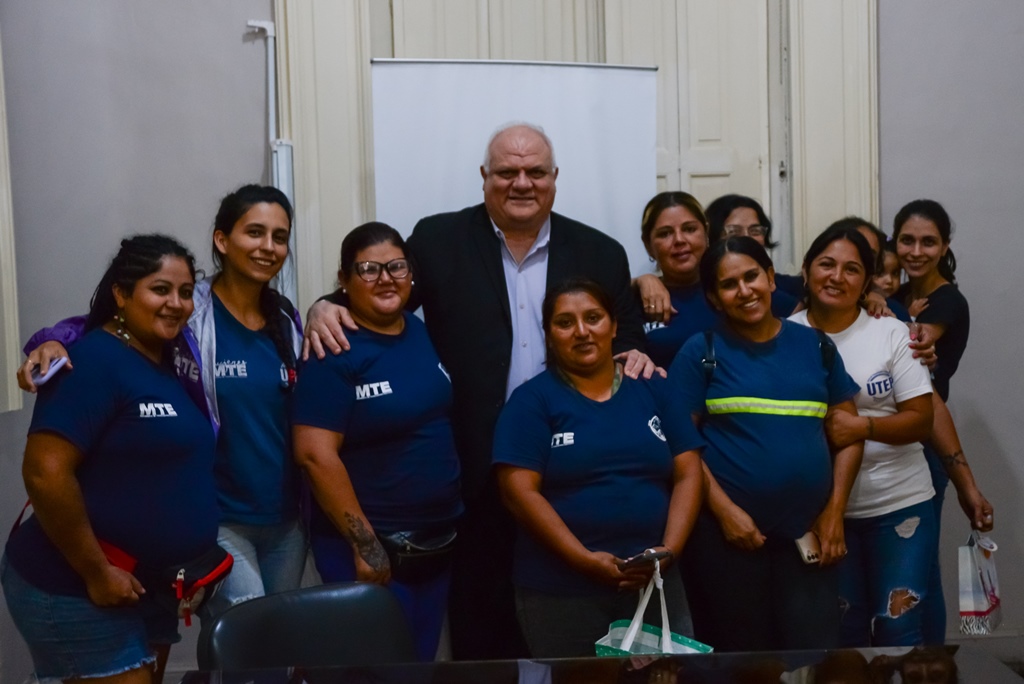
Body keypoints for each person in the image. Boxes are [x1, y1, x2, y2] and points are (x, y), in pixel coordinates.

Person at [303, 122, 651, 659]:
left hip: (572, 472)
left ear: (555, 177)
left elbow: (626, 342)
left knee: (571, 622)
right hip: (471, 475)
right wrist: (324, 305)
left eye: (535, 172)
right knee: (479, 627)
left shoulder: (600, 251)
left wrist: (646, 309)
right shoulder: (438, 240)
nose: (522, 183)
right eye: (507, 172)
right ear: (484, 177)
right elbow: (383, 292)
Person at [17, 185, 307, 622]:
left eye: (279, 237)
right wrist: (51, 340)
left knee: (281, 636)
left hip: (285, 518)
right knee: (249, 637)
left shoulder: (286, 318)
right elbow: (108, 325)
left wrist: (328, 307)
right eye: (254, 232)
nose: (268, 246)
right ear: (222, 240)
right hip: (221, 515)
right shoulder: (189, 308)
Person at [2, 235, 221, 684]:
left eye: (185, 292)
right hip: (79, 584)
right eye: (160, 289)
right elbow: (44, 473)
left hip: (149, 587)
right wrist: (97, 572)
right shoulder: (92, 361)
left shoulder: (170, 360)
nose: (176, 303)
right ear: (122, 294)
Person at [667, 236, 863, 651]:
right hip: (727, 540)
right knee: (744, 662)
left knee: (813, 656)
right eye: (729, 284)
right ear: (714, 297)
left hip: (807, 535)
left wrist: (835, 512)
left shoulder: (817, 347)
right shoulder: (701, 352)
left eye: (752, 276)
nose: (744, 291)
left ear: (771, 278)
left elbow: (849, 436)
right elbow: (682, 445)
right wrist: (725, 513)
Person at [493, 279, 703, 657]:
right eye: (565, 323)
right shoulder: (530, 401)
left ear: (614, 325)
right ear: (548, 334)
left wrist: (669, 550)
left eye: (593, 318)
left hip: (655, 581)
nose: (582, 331)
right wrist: (582, 559)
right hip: (561, 590)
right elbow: (518, 493)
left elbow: (688, 473)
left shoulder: (654, 387)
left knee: (665, 679)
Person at [292, 222, 462, 661]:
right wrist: (366, 546)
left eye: (396, 267)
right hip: (372, 549)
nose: (385, 278)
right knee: (376, 671)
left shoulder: (417, 331)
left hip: (433, 544)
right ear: (344, 280)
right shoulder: (332, 348)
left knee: (417, 666)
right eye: (368, 269)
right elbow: (313, 454)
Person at [790, 222, 936, 646]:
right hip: (819, 511)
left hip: (899, 504)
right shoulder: (783, 335)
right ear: (806, 270)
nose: (837, 277)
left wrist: (862, 426)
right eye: (826, 264)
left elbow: (922, 420)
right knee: (844, 632)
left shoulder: (890, 332)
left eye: (852, 269)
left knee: (897, 626)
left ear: (867, 281)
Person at [891, 199, 971, 644]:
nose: (916, 251)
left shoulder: (947, 300)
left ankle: (931, 665)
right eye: (907, 240)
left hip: (924, 444)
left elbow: (918, 339)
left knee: (921, 570)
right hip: (889, 444)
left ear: (944, 247)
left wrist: (904, 322)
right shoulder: (898, 295)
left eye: (928, 242)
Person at [636, 192, 719, 367]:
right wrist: (639, 281)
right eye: (665, 233)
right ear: (647, 244)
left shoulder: (732, 289)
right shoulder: (636, 298)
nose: (679, 240)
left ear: (706, 232)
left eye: (689, 229)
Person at [705, 193, 803, 303]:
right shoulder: (703, 293)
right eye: (734, 232)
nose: (747, 238)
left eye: (755, 230)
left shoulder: (793, 287)